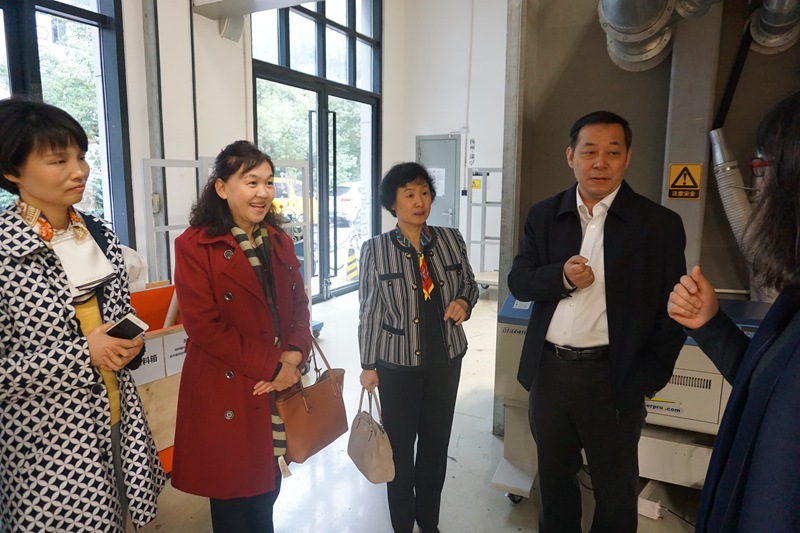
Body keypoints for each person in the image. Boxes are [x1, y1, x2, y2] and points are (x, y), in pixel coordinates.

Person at [508, 110, 687, 533]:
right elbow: (519, 281)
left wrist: (646, 378)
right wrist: (561, 277)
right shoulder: (544, 215)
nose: (600, 163)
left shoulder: (658, 225)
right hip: (550, 374)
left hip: (614, 377)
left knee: (616, 492)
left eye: (612, 152)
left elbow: (672, 313)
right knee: (554, 485)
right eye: (589, 152)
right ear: (571, 156)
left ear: (627, 158)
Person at [0, 97, 165, 531]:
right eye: (59, 160)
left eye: (81, 156)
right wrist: (82, 354)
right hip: (46, 450)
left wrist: (130, 345)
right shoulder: (4, 250)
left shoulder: (98, 232)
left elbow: (120, 316)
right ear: (12, 171)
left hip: (120, 423)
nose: (79, 171)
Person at [667, 91, 800, 533]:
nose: (758, 189)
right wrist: (710, 325)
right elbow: (763, 389)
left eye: (764, 169)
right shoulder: (793, 304)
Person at [171, 140, 312, 533]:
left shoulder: (279, 240)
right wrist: (274, 366)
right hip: (228, 388)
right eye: (251, 182)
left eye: (268, 182)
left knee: (267, 494)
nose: (263, 192)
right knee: (234, 505)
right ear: (222, 187)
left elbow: (300, 305)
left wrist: (293, 356)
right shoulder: (195, 246)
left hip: (276, 386)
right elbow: (204, 328)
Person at [358, 162, 479, 533]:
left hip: (446, 360)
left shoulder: (450, 239)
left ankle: (429, 523)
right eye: (409, 194)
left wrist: (464, 301)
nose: (419, 201)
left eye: (424, 192)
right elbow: (370, 310)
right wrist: (368, 364)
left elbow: (470, 283)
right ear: (392, 203)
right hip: (397, 366)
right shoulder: (376, 249)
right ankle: (402, 525)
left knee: (434, 449)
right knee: (399, 451)